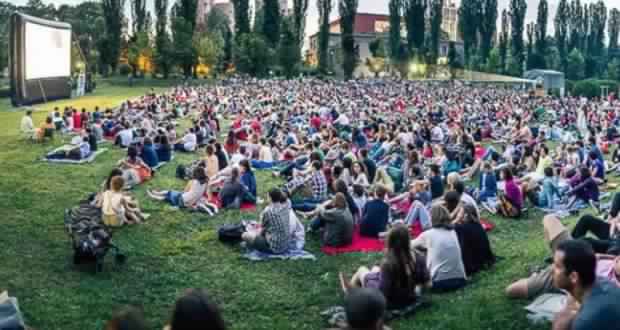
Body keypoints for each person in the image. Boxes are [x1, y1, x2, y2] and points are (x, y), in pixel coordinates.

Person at [340, 224, 430, 310]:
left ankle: (351, 295)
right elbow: (427, 283)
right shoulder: (418, 257)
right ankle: (355, 290)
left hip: (392, 301)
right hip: (409, 296)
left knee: (361, 270)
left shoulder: (389, 263)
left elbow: (382, 294)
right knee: (375, 269)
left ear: (390, 241)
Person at [551, 240, 620, 330]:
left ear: (574, 277)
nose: (552, 269)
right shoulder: (605, 282)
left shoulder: (585, 322)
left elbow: (559, 326)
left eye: (557, 266)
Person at [410, 204, 467, 293]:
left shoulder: (428, 234)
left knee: (413, 251)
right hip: (460, 280)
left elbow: (408, 245)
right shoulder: (453, 232)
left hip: (438, 283)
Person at [444, 191, 495, 276]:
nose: (458, 214)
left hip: (473, 264)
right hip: (484, 259)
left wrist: (456, 219)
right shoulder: (478, 225)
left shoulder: (461, 228)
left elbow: (446, 228)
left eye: (460, 213)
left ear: (465, 215)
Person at [242, 189, 290, 254]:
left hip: (274, 248)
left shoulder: (268, 211)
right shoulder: (285, 206)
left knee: (244, 235)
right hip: (285, 244)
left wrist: (255, 234)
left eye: (267, 196)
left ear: (270, 198)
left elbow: (261, 227)